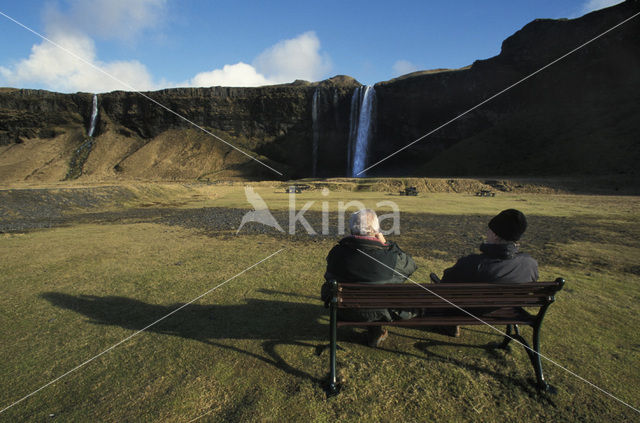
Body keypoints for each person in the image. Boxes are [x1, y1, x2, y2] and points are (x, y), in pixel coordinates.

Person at [435, 208, 538, 336]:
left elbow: (446, 283)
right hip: (506, 308)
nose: (486, 233)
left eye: (489, 230)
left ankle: (451, 323)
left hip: (469, 310)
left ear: (495, 235)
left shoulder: (473, 263)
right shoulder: (530, 264)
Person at [323, 209, 417, 347]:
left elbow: (329, 276)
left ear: (351, 229)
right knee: (380, 295)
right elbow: (411, 265)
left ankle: (375, 332)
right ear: (376, 230)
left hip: (344, 311)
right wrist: (388, 246)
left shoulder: (337, 252)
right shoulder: (390, 257)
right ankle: (375, 331)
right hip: (383, 312)